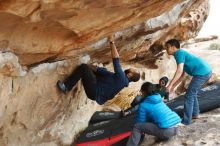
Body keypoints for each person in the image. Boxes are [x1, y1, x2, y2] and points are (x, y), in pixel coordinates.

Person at [56, 35, 140, 105]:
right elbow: (104, 72)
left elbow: (116, 60)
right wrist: (92, 67)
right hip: (96, 89)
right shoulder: (121, 80)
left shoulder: (122, 79)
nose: (133, 68)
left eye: (134, 70)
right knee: (102, 70)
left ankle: (66, 87)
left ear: (131, 74)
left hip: (94, 92)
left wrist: (112, 42)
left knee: (84, 68)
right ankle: (85, 70)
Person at [165, 39, 212, 125]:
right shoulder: (179, 54)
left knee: (189, 95)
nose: (166, 49)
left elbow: (179, 71)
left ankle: (186, 121)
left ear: (173, 47)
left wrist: (169, 85)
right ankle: (195, 114)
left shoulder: (179, 53)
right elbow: (182, 74)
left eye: (167, 47)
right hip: (205, 71)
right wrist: (172, 86)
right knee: (192, 93)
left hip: (202, 73)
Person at [126, 82, 181, 146]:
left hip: (167, 131)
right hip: (176, 128)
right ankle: (161, 137)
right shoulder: (159, 99)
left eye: (141, 91)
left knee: (137, 127)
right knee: (157, 119)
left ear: (143, 92)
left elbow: (140, 122)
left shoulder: (143, 105)